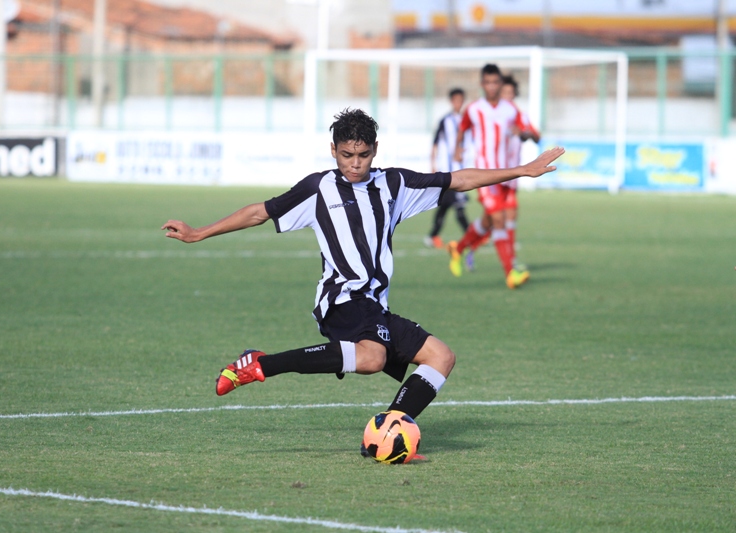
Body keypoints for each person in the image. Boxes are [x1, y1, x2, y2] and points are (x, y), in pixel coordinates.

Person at [162, 109, 563, 456]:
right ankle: (261, 364)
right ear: (333, 151)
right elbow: (259, 213)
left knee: (441, 358)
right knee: (372, 359)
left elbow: (458, 179)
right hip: (340, 299)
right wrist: (199, 233)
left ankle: (388, 431)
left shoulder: (394, 185)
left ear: (375, 150)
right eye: (347, 155)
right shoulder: (318, 188)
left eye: (364, 155)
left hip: (374, 306)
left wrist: (522, 170)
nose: (355, 164)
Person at [449, 64, 534, 289]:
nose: (492, 86)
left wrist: (524, 134)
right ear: (482, 84)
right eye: (488, 82)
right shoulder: (474, 109)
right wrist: (458, 148)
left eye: (496, 82)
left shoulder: (511, 109)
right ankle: (510, 272)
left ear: (500, 83)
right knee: (499, 219)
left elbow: (525, 132)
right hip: (484, 174)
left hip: (505, 174)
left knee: (489, 220)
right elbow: (463, 128)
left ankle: (458, 248)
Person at [499, 74, 540, 268]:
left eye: (510, 92)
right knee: (493, 218)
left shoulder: (519, 115)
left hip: (513, 173)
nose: (507, 96)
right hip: (494, 172)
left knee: (510, 215)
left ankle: (511, 260)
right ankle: (465, 248)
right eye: (504, 92)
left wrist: (525, 134)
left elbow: (535, 136)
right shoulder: (493, 114)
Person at [424, 88, 470, 249]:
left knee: (448, 204)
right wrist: (433, 164)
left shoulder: (465, 121)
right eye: (456, 100)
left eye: (461, 100)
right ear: (451, 101)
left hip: (460, 169)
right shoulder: (445, 121)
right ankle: (471, 236)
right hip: (447, 171)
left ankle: (433, 236)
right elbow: (435, 143)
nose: (458, 103)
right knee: (456, 204)